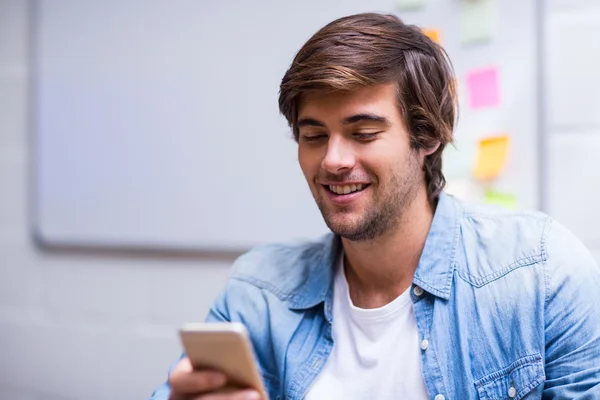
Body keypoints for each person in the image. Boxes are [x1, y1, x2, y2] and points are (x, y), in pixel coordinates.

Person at [149, 12, 600, 400]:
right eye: (313, 136)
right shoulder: (258, 293)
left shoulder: (540, 273)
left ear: (427, 136)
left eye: (363, 133)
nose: (333, 160)